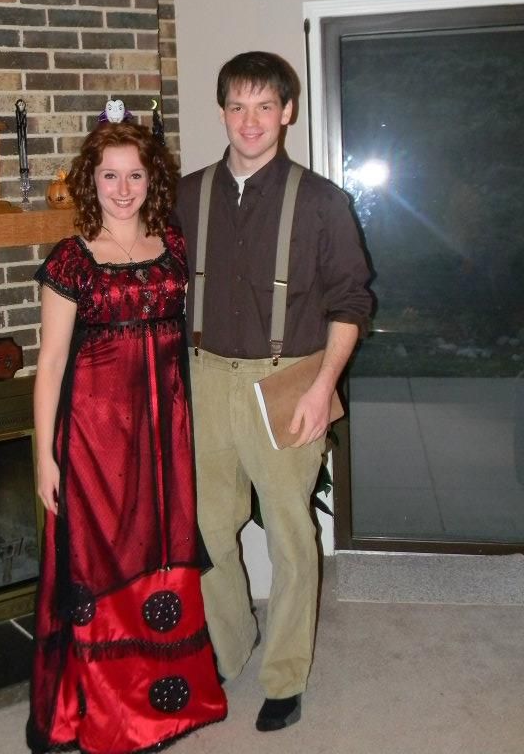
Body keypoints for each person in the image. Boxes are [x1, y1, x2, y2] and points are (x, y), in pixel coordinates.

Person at [175, 51, 372, 732]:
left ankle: (285, 678)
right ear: (223, 111)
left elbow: (351, 302)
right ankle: (231, 651)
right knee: (206, 528)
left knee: (290, 534)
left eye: (265, 106)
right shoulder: (187, 193)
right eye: (237, 106)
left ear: (287, 112)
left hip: (287, 379)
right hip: (204, 379)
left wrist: (323, 387)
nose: (250, 121)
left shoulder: (322, 202)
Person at [26, 112, 227, 754]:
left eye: (134, 175)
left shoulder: (173, 246)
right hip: (94, 443)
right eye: (109, 175)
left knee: (162, 547)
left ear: (150, 179)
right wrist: (43, 458)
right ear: (92, 180)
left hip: (164, 436)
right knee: (102, 558)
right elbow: (51, 364)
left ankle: (169, 704)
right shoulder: (74, 259)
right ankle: (111, 716)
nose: (122, 188)